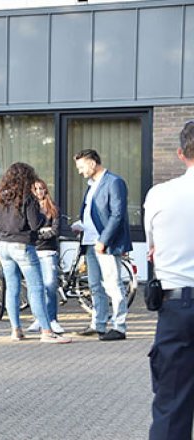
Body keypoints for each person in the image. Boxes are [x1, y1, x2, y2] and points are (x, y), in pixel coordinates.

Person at [144, 120, 194, 440]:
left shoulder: (160, 194)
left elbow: (152, 245)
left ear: (180, 153)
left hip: (177, 306)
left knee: (172, 402)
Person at [0, 163, 70, 343]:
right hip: (22, 245)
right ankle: (46, 331)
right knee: (36, 288)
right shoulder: (27, 197)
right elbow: (35, 224)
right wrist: (43, 216)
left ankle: (16, 330)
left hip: (3, 245)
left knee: (12, 288)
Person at [72, 149, 132, 341]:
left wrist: (103, 240)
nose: (80, 171)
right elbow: (93, 213)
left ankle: (119, 327)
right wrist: (81, 225)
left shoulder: (114, 182)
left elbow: (117, 214)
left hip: (104, 243)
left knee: (113, 285)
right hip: (89, 242)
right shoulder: (91, 185)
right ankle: (98, 324)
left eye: (81, 167)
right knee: (94, 285)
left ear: (92, 163)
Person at [26, 178, 65, 334]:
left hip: (48, 251)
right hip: (33, 251)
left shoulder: (52, 208)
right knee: (35, 287)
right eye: (36, 189)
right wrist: (42, 232)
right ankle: (39, 319)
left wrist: (39, 234)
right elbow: (29, 230)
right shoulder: (30, 208)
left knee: (50, 285)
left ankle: (52, 319)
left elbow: (55, 231)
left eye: (42, 188)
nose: (39, 192)